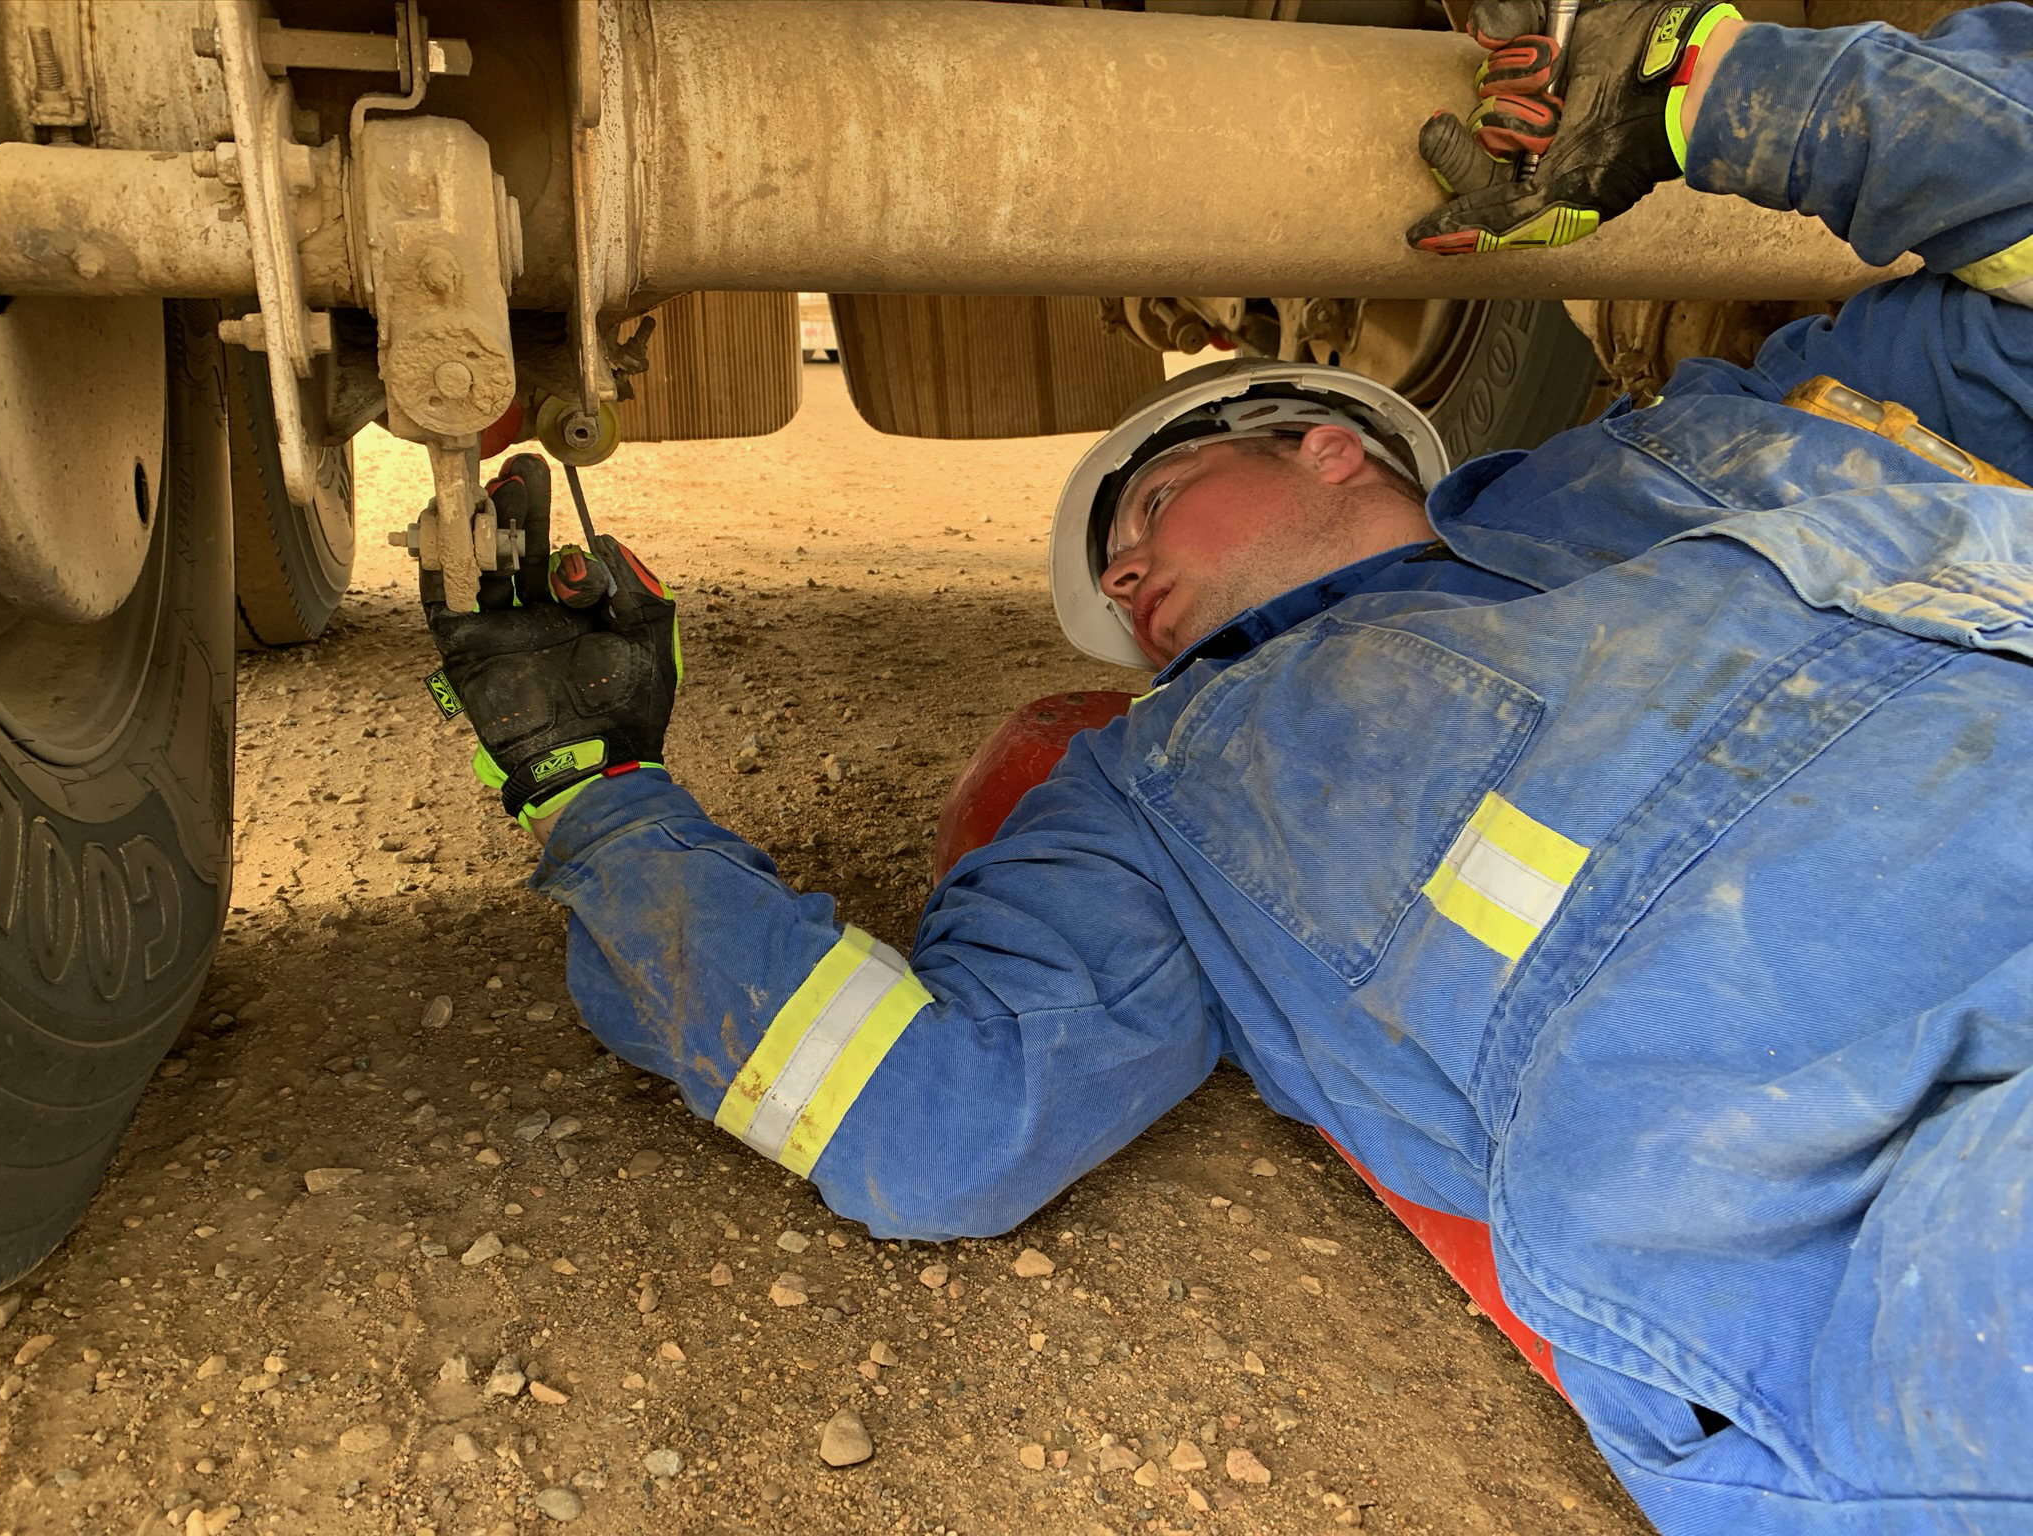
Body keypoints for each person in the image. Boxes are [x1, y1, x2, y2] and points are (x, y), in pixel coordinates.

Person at [420, 4, 2033, 1530]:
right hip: (1909, 1197)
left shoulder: (1713, 440)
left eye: (1147, 508)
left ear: (1328, 437)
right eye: (1113, 585)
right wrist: (600, 796)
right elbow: (932, 1119)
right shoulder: (1155, 798)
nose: (1121, 581)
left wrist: (1707, 87)